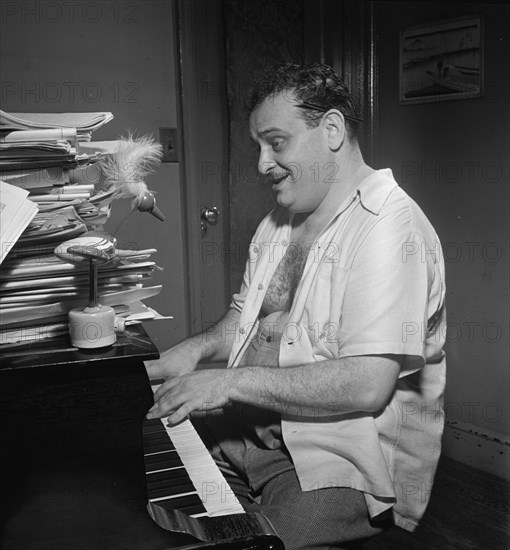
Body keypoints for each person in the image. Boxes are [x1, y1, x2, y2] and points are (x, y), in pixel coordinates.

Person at [146, 62, 446, 549]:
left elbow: (368, 384)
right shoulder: (278, 222)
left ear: (330, 130)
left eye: (276, 142)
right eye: (258, 147)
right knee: (152, 483)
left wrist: (229, 381)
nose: (262, 163)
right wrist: (186, 355)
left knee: (250, 544)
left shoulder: (390, 228)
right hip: (250, 430)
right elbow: (244, 321)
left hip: (339, 460)